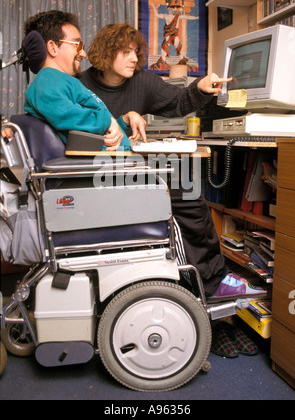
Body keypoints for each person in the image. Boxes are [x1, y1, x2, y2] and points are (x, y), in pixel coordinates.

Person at [80, 23, 267, 301]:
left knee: (189, 188)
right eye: (125, 52)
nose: (134, 58)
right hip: (96, 172)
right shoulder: (80, 85)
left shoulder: (141, 81)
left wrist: (201, 88)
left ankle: (207, 279)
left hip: (130, 169)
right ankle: (211, 282)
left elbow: (178, 102)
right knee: (187, 196)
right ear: (107, 53)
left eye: (135, 52)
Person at [21, 11, 144, 151]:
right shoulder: (48, 80)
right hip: (105, 167)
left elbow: (86, 128)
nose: (83, 54)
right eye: (77, 45)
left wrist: (121, 122)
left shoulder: (61, 80)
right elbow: (65, 114)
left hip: (113, 161)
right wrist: (106, 122)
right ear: (52, 47)